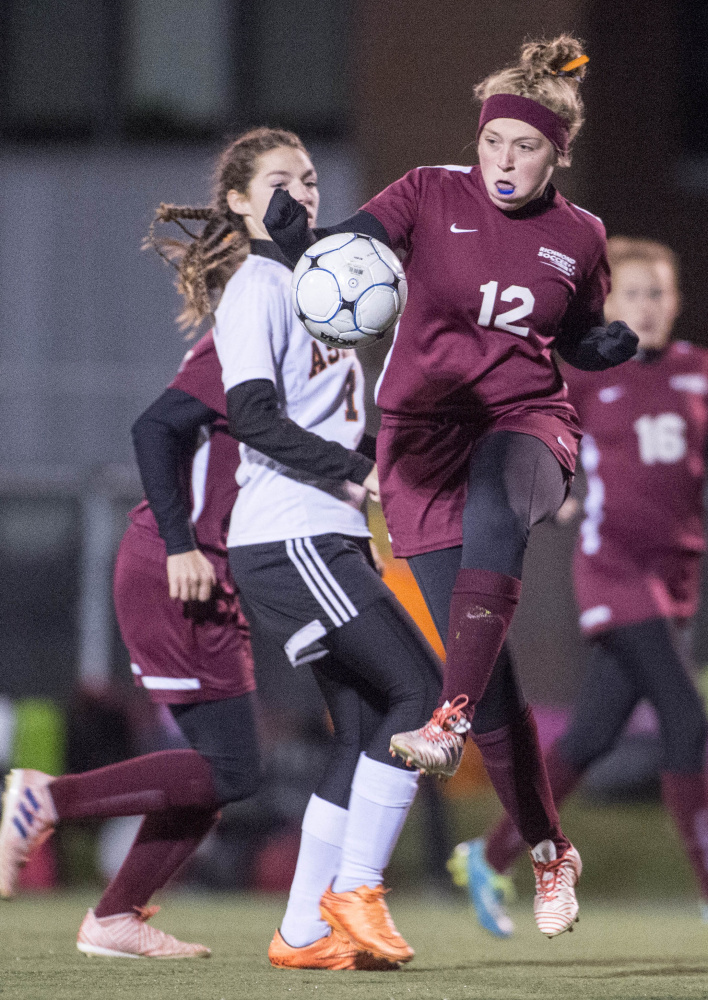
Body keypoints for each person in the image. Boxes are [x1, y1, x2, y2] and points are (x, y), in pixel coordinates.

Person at [264, 35, 638, 937]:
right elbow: (341, 257)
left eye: (528, 147)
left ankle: (448, 716)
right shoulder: (428, 192)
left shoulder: (580, 235)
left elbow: (576, 333)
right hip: (420, 439)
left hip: (525, 424)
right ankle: (550, 852)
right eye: (495, 142)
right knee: (502, 691)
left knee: (497, 502)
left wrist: (603, 348)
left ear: (559, 154)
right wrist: (296, 243)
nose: (506, 161)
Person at [144, 127, 442, 969]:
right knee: (419, 691)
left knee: (360, 724)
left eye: (310, 178)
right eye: (281, 180)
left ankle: (305, 933)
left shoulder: (319, 281)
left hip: (323, 533)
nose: (303, 192)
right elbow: (256, 417)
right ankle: (354, 894)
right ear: (240, 201)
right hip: (290, 532)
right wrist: (360, 472)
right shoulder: (259, 286)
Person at [454, 236, 708, 935]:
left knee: (592, 736)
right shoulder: (589, 377)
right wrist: (548, 483)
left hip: (675, 577)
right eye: (632, 294)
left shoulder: (697, 372)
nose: (648, 307)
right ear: (609, 305)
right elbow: (534, 430)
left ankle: (491, 854)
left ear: (677, 300)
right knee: (687, 724)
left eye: (658, 293)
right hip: (615, 570)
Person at [0, 329, 259, 958]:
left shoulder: (300, 345)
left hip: (212, 569)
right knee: (230, 768)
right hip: (185, 567)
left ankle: (116, 916)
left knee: (217, 772)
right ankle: (47, 797)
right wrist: (180, 544)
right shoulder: (249, 331)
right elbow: (153, 428)